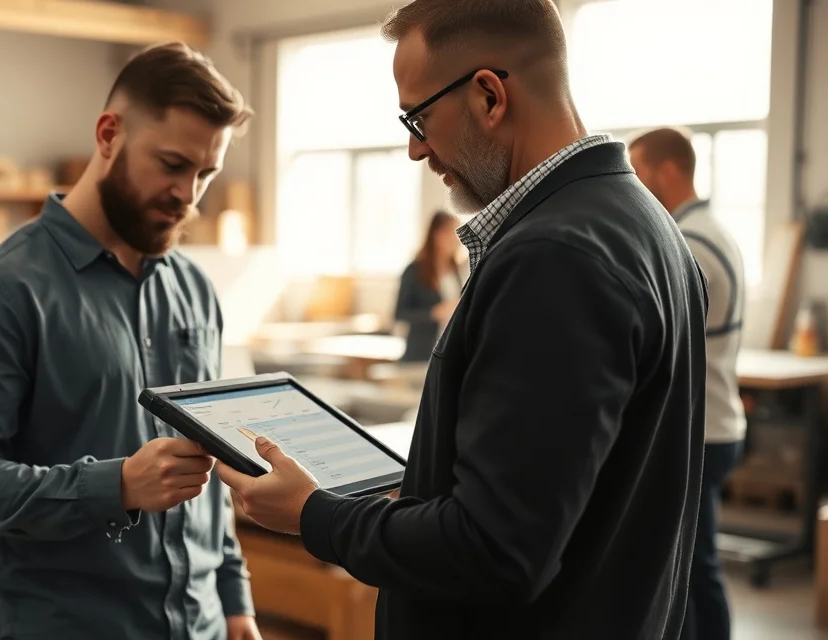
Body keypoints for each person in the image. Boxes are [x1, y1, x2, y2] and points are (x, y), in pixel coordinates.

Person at [216, 2, 709, 639]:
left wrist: (316, 515)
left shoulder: (554, 258)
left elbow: (495, 551)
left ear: (487, 95)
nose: (415, 148)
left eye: (417, 117)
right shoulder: (644, 224)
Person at [0, 42, 262, 640]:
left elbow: (206, 472)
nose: (189, 195)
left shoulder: (196, 290)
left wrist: (235, 603)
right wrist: (117, 485)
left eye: (206, 174)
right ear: (109, 134)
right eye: (173, 164)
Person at [630, 126, 746, 640]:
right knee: (697, 566)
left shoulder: (690, 243)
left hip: (701, 429)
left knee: (693, 572)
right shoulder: (715, 232)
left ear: (668, 170)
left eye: (640, 170)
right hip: (719, 420)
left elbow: (658, 336)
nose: (634, 183)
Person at [393, 210, 464, 361]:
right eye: (453, 233)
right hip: (420, 353)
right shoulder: (414, 271)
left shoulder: (455, 270)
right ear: (437, 236)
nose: (457, 240)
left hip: (448, 352)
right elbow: (399, 313)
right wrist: (433, 313)